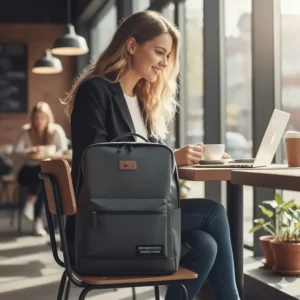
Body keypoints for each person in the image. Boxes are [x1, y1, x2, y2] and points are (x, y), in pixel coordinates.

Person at [62, 11, 239, 300]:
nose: (165, 63)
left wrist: (187, 158)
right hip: (101, 224)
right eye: (159, 52)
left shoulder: (142, 102)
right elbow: (96, 164)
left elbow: (149, 172)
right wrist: (170, 158)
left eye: (168, 56)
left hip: (137, 216)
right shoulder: (95, 91)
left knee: (204, 244)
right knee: (213, 212)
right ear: (132, 46)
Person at [14, 101, 68, 236]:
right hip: (27, 171)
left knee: (44, 178)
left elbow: (63, 149)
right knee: (43, 177)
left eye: (42, 118)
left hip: (45, 170)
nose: (39, 122)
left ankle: (32, 206)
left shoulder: (56, 130)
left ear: (48, 118)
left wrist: (46, 152)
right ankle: (36, 216)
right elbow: (17, 150)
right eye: (36, 118)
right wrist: (30, 151)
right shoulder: (27, 130)